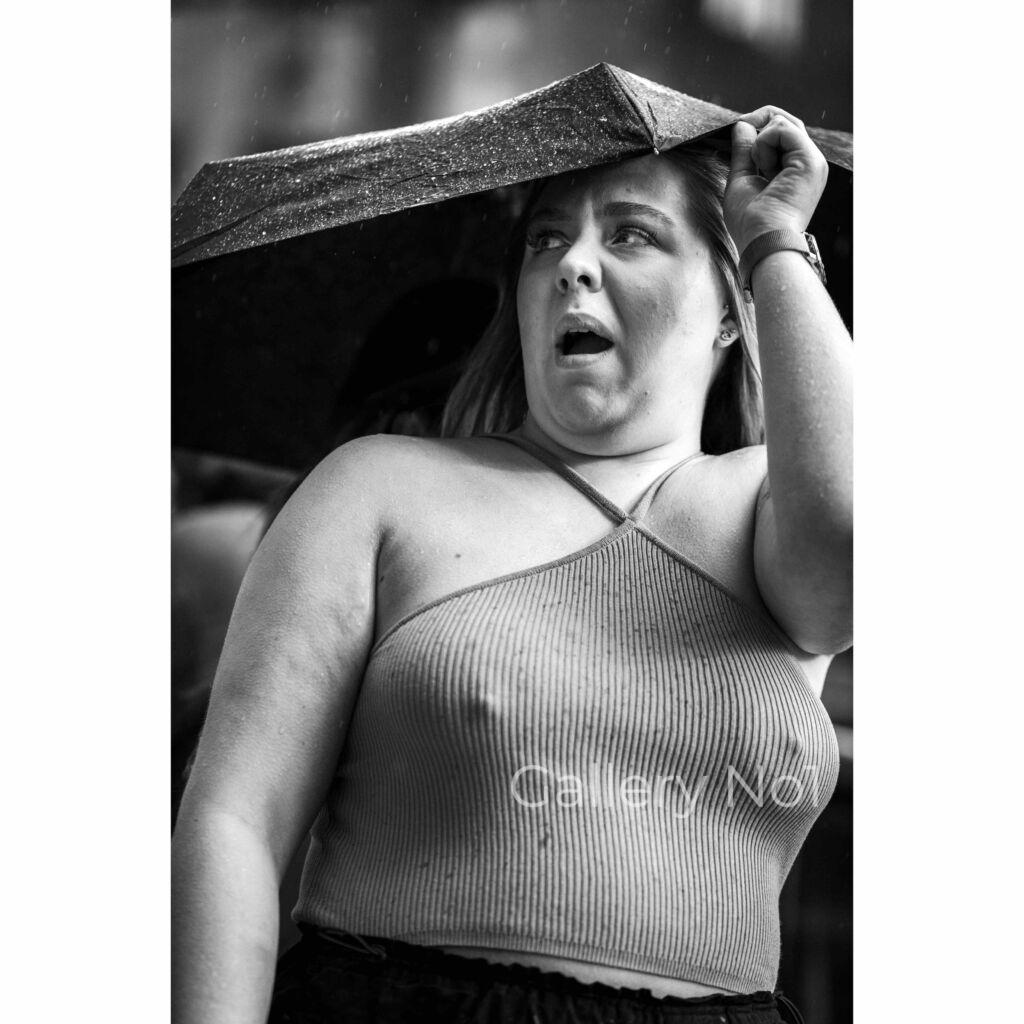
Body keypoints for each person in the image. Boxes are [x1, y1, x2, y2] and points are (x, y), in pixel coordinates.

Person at [172, 105, 852, 1024]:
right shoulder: (376, 489)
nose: (572, 263)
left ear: (734, 310)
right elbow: (235, 825)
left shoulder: (774, 510)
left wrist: (775, 240)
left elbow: (854, 551)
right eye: (545, 240)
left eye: (632, 235)